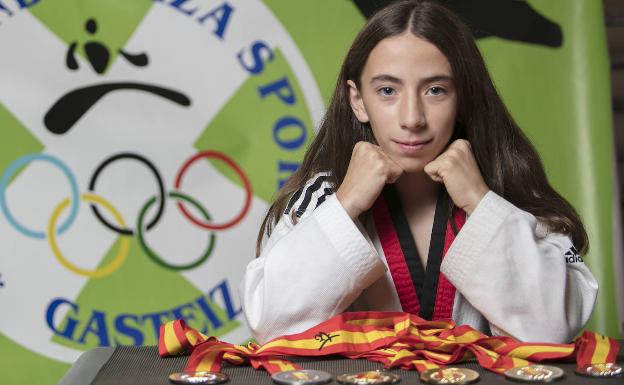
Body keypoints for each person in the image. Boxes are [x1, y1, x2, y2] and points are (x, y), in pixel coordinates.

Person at [241, 0, 598, 345]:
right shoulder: (322, 198)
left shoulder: (508, 193)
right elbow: (270, 325)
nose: (412, 118)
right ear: (358, 101)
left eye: (436, 90)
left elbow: (551, 331)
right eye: (387, 91)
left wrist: (480, 202)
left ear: (464, 97)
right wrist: (345, 203)